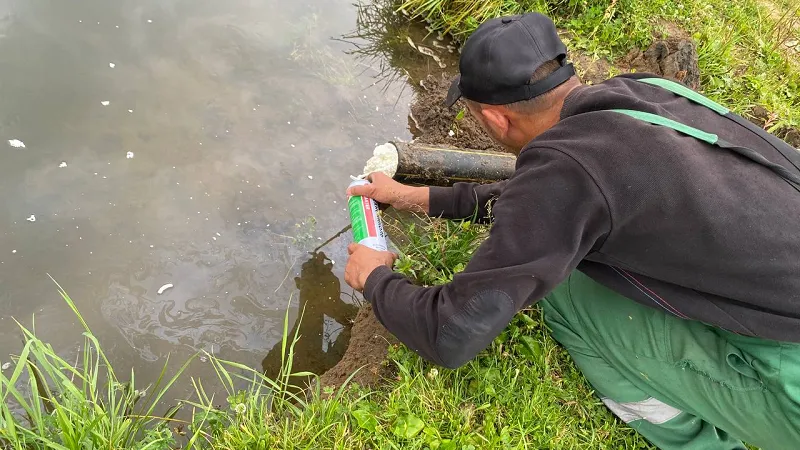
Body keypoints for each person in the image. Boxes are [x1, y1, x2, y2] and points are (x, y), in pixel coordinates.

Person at [343, 12, 800, 450]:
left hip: (791, 381)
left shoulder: (568, 173)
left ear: (497, 118)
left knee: (565, 294)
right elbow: (550, 198)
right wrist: (416, 197)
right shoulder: (644, 93)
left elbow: (450, 333)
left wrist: (376, 278)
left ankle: (692, 438)